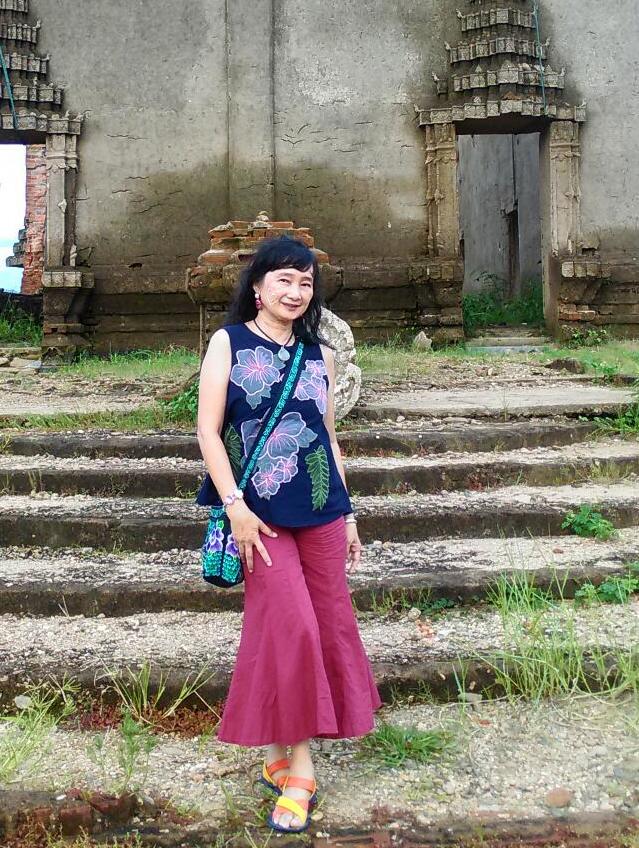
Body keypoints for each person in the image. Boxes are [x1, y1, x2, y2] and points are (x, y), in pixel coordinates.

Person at [197, 235, 382, 834]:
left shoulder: (319, 354)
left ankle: (277, 753)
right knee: (293, 627)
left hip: (322, 510)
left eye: (306, 282)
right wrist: (234, 506)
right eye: (284, 280)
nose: (296, 292)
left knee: (327, 625)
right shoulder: (228, 343)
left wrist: (349, 515)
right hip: (258, 516)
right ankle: (301, 771)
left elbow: (327, 436)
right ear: (257, 286)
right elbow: (207, 432)